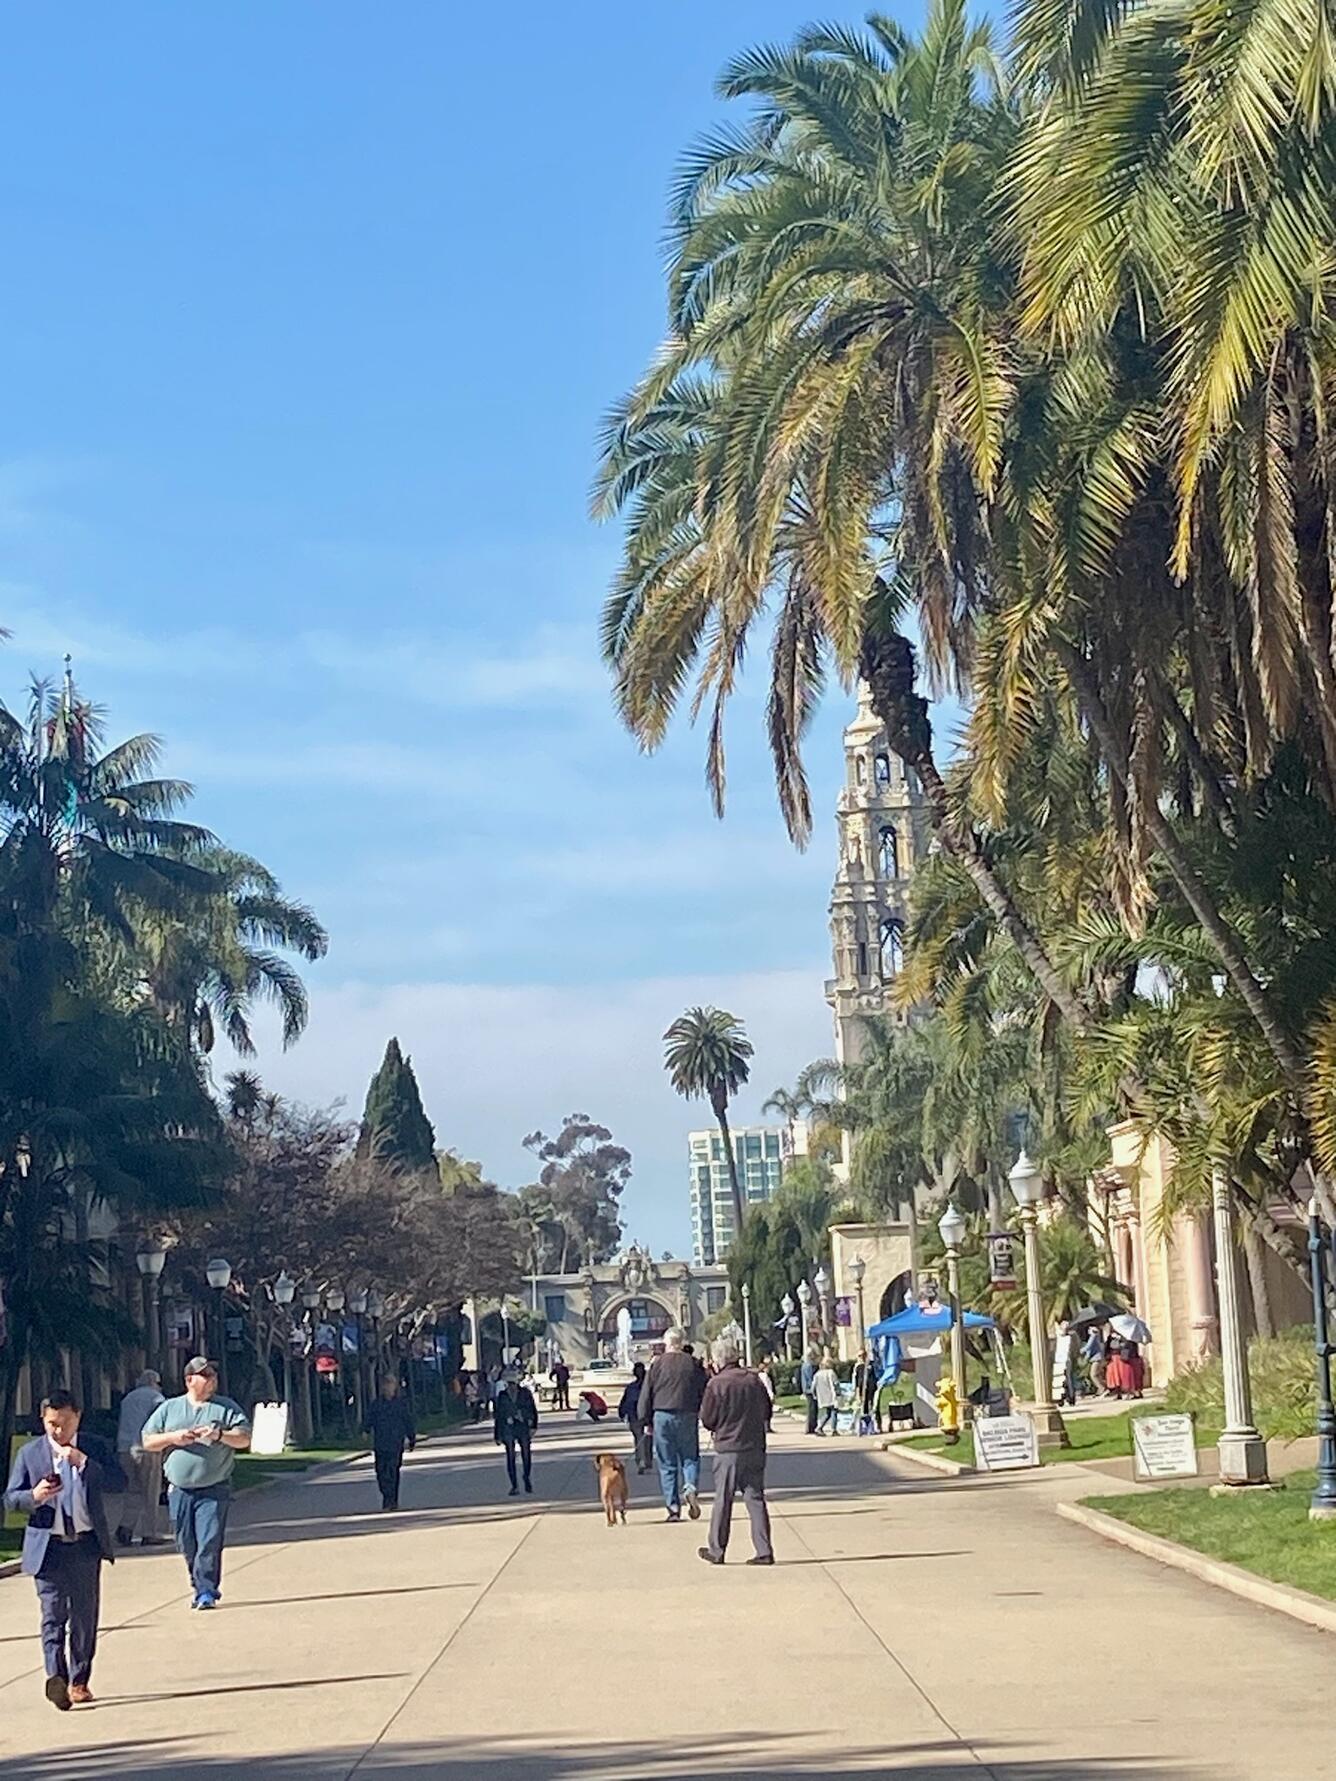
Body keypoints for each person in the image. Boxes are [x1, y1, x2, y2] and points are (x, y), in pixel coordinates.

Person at [4, 1390, 120, 1710]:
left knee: (84, 1617)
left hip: (84, 1545)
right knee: (52, 1615)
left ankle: (80, 1680)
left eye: (65, 1423)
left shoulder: (93, 1447)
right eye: (52, 1423)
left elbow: (118, 1481)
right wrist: (34, 1496)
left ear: (77, 1417)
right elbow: (11, 1498)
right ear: (43, 1419)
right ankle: (56, 1677)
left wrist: (84, 1463)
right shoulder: (30, 1454)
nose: (58, 1430)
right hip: (48, 1548)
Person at [139, 1355, 251, 1610]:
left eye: (213, 1375)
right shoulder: (170, 1408)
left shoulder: (226, 1408)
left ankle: (206, 1591)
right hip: (180, 1490)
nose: (212, 1380)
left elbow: (244, 1438)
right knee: (186, 1541)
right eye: (206, 1375)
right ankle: (197, 1579)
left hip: (215, 1488)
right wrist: (174, 1437)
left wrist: (219, 1434)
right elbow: (148, 1441)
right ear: (190, 1380)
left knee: (209, 1539)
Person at [697, 1336, 774, 1567]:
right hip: (754, 1447)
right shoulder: (753, 1380)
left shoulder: (716, 1384)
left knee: (723, 1499)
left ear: (718, 1361)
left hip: (728, 1449)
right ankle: (764, 1550)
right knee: (755, 1498)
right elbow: (767, 1412)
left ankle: (717, 1550)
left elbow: (707, 1419)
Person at [638, 1326, 706, 1522]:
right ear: (683, 1343)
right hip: (687, 1414)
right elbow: (704, 1389)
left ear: (667, 1343)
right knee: (690, 1457)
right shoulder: (693, 1364)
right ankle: (691, 1486)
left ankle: (673, 1508)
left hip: (662, 1416)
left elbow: (647, 1393)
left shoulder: (657, 1365)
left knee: (667, 1464)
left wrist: (645, 1420)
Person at [115, 1368, 168, 1547]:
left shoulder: (128, 1399)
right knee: (151, 1492)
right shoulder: (156, 1399)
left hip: (124, 1448)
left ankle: (125, 1527)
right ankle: (149, 1533)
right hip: (147, 1449)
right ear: (154, 1382)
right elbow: (163, 1425)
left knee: (133, 1490)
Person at [364, 1373, 416, 1510]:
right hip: (380, 1444)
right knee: (381, 1473)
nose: (387, 1388)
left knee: (393, 1472)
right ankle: (387, 1495)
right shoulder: (376, 1405)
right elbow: (369, 1419)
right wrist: (365, 1430)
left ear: (394, 1387)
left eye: (390, 1385)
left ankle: (391, 1500)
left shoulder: (400, 1405)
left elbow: (408, 1421)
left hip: (395, 1443)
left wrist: (412, 1438)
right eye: (385, 1385)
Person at [494, 1369, 538, 1496]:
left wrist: (533, 1425)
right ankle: (514, 1485)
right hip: (508, 1428)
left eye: (513, 1383)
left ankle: (526, 1477)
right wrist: (497, 1435)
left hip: (523, 1426)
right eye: (509, 1383)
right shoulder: (502, 1395)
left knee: (526, 1453)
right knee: (510, 1456)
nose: (512, 1386)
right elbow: (499, 1416)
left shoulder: (525, 1393)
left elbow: (532, 1409)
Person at [618, 1362, 651, 1472]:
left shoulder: (647, 1387)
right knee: (641, 1438)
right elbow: (625, 1401)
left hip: (645, 1415)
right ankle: (642, 1460)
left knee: (643, 1439)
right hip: (636, 1416)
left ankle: (645, 1460)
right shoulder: (632, 1387)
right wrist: (622, 1412)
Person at [813, 1352, 840, 1435]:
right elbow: (835, 1383)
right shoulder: (831, 1373)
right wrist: (838, 1392)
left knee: (828, 1413)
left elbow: (813, 1386)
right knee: (834, 1411)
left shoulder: (817, 1374)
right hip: (831, 1395)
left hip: (822, 1396)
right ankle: (833, 1429)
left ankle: (819, 1427)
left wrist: (815, 1395)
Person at [800, 1347, 819, 1435]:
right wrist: (814, 1388)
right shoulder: (809, 1366)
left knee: (812, 1408)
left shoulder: (805, 1365)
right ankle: (811, 1427)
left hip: (807, 1389)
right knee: (812, 1409)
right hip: (810, 1390)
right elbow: (811, 1378)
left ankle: (811, 1427)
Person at [754, 1357, 775, 1433]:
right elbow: (768, 1386)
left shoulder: (758, 1376)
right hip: (767, 1395)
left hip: (761, 1395)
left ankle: (765, 1426)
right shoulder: (764, 1376)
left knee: (765, 1411)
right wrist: (771, 1395)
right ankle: (767, 1427)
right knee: (768, 1412)